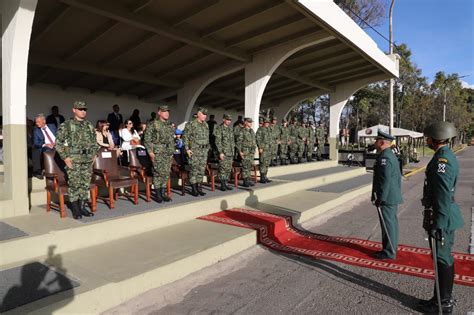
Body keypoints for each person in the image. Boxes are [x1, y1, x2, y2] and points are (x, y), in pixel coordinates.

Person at [416, 121, 464, 314]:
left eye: (428, 137)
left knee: (442, 258)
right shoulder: (445, 156)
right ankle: (440, 298)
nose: (426, 140)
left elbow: (443, 194)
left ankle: (443, 303)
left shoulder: (442, 161)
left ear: (435, 138)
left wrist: (439, 222)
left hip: (442, 216)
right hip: (442, 214)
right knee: (441, 257)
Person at [55, 101, 98, 219]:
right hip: (74, 160)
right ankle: (75, 209)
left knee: (85, 184)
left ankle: (83, 207)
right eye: (80, 109)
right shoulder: (67, 125)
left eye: (84, 109)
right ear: (74, 110)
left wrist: (94, 155)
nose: (83, 111)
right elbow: (58, 143)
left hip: (87, 160)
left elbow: (94, 143)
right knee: (74, 185)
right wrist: (66, 158)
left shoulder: (89, 125)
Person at [371, 130, 403, 260]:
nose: (375, 143)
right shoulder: (387, 155)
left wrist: (381, 198)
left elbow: (385, 180)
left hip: (387, 197)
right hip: (390, 196)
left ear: (382, 142)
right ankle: (389, 248)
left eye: (376, 140)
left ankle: (389, 252)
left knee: (388, 224)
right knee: (390, 224)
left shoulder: (385, 157)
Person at [144, 106, 175, 203]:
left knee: (166, 173)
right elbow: (147, 139)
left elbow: (171, 139)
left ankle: (162, 193)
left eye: (168, 112)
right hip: (158, 151)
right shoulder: (153, 124)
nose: (167, 113)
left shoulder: (169, 125)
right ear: (159, 112)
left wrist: (171, 151)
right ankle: (157, 194)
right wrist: (150, 152)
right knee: (158, 173)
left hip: (168, 152)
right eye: (164, 111)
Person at [183, 107, 210, 197]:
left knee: (201, 170)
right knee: (194, 169)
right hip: (194, 150)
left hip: (203, 151)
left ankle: (199, 187)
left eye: (205, 114)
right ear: (198, 114)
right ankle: (194, 188)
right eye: (203, 114)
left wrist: (207, 148)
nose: (204, 116)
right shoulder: (190, 124)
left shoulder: (206, 125)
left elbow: (207, 138)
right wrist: (187, 149)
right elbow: (185, 137)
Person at [32, 114, 57, 179]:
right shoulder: (36, 130)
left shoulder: (52, 126)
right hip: (46, 146)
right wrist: (45, 144)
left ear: (44, 121)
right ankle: (49, 171)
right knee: (46, 150)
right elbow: (36, 143)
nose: (37, 123)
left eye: (38, 122)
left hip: (57, 145)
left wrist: (57, 143)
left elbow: (59, 136)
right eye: (36, 122)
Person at [214, 114, 235, 191]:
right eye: (227, 120)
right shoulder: (219, 129)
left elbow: (232, 142)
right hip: (223, 153)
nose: (229, 121)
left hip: (230, 153)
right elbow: (218, 142)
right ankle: (222, 184)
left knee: (228, 169)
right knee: (223, 168)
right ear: (223, 120)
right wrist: (220, 152)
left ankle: (226, 183)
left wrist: (233, 152)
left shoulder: (230, 129)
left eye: (230, 120)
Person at [236, 117, 256, 187]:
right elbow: (238, 142)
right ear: (245, 122)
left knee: (249, 166)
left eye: (251, 122)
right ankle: (245, 181)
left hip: (251, 152)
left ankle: (248, 179)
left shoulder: (252, 131)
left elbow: (254, 142)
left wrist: (253, 151)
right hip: (245, 151)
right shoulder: (242, 131)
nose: (250, 123)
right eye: (249, 122)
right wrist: (240, 151)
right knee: (245, 166)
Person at [256, 118, 272, 184]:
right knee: (262, 162)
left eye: (268, 123)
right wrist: (260, 147)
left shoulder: (269, 129)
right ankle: (262, 177)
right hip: (263, 149)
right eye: (266, 122)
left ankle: (265, 176)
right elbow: (258, 139)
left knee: (267, 163)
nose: (267, 124)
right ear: (263, 123)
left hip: (268, 149)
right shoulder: (260, 129)